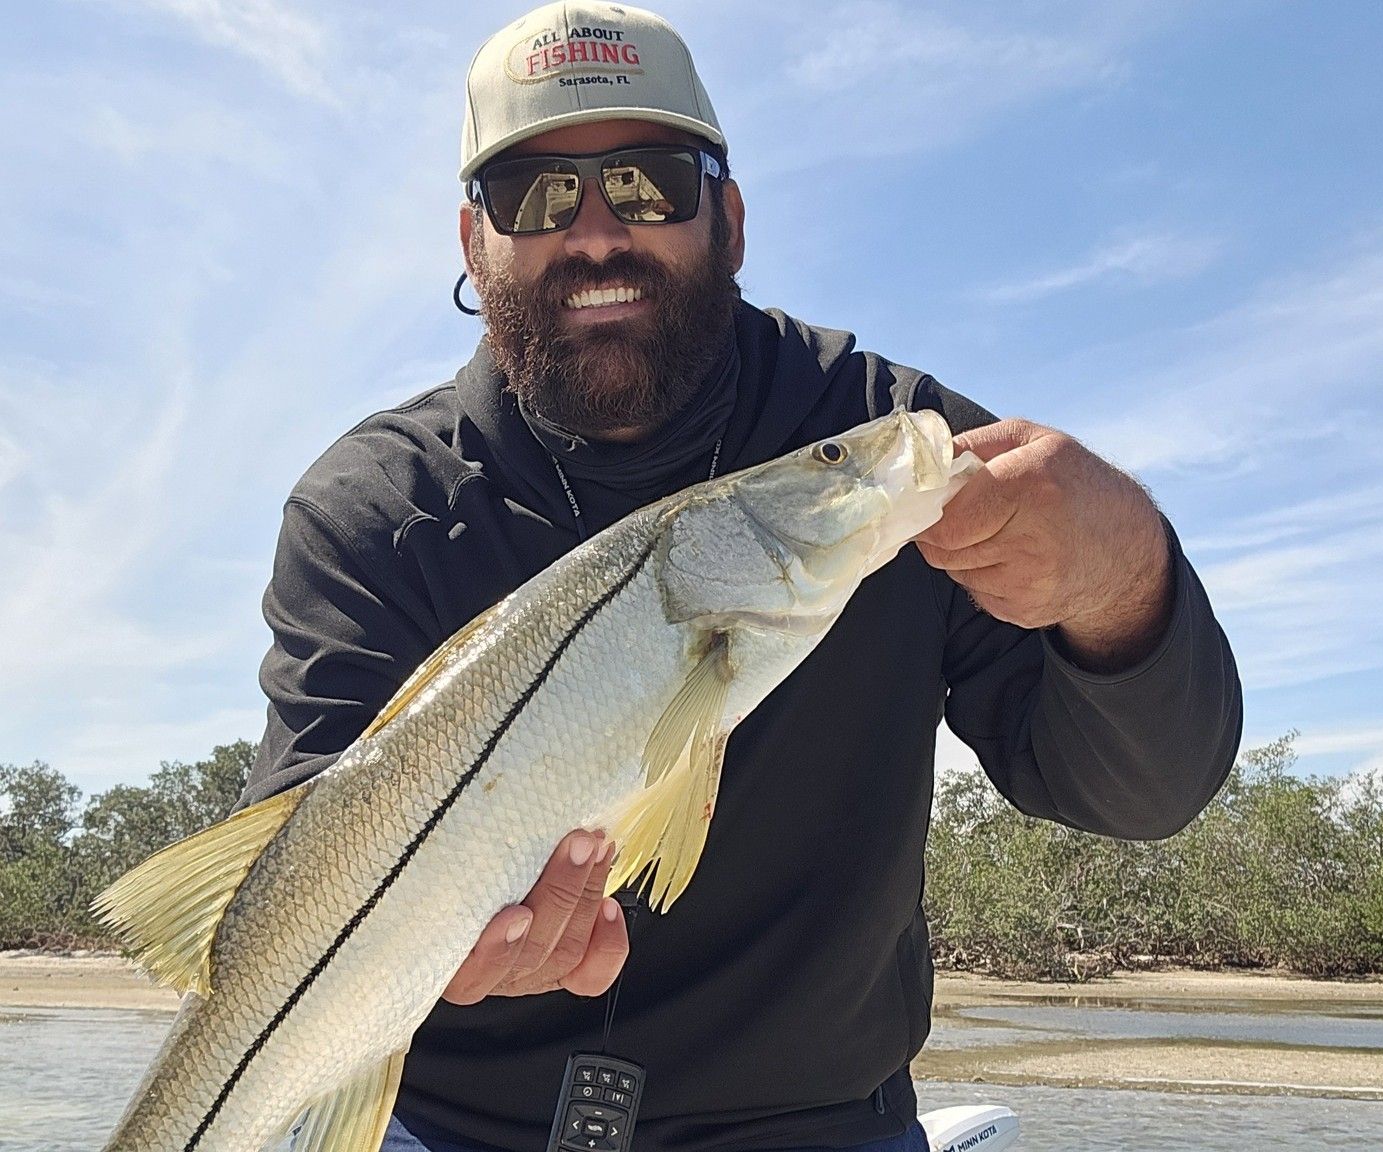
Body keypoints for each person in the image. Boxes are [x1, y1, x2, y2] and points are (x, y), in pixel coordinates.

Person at [243, 3, 1243, 1150]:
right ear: (473, 243)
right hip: (448, 1119)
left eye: (649, 182)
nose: (596, 234)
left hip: (814, 1122)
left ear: (730, 215)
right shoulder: (376, 506)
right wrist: (439, 952)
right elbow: (290, 862)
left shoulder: (879, 448)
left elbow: (1141, 793)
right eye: (535, 196)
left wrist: (1125, 582)